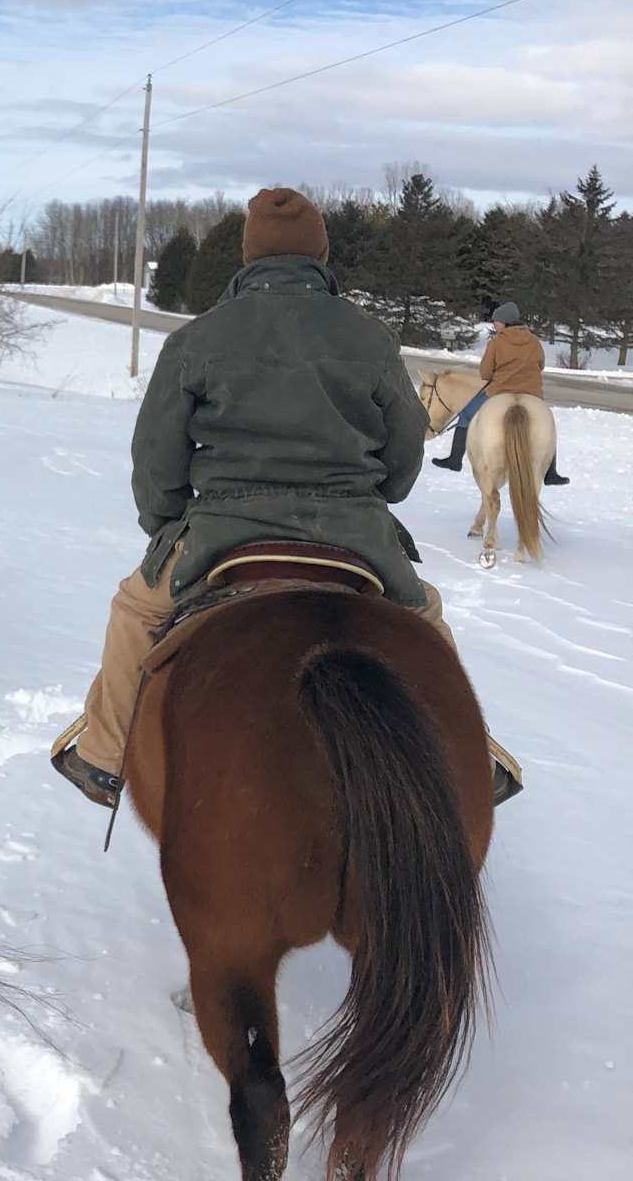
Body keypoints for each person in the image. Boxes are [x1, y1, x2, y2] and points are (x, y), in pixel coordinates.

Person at [52, 186, 522, 814]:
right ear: (321, 254)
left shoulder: (197, 338)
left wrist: (166, 527)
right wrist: (372, 497)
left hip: (220, 529)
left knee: (136, 611)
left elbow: (156, 461)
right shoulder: (371, 337)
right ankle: (471, 756)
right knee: (424, 621)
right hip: (355, 531)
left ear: (247, 258)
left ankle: (105, 758)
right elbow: (404, 458)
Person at [430, 301, 568, 482]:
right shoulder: (534, 341)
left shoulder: (496, 343)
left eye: (496, 321)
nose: (494, 324)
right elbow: (540, 365)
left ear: (505, 322)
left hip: (499, 391)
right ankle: (551, 473)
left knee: (465, 415)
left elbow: (485, 373)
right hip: (532, 393)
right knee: (548, 424)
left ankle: (454, 460)